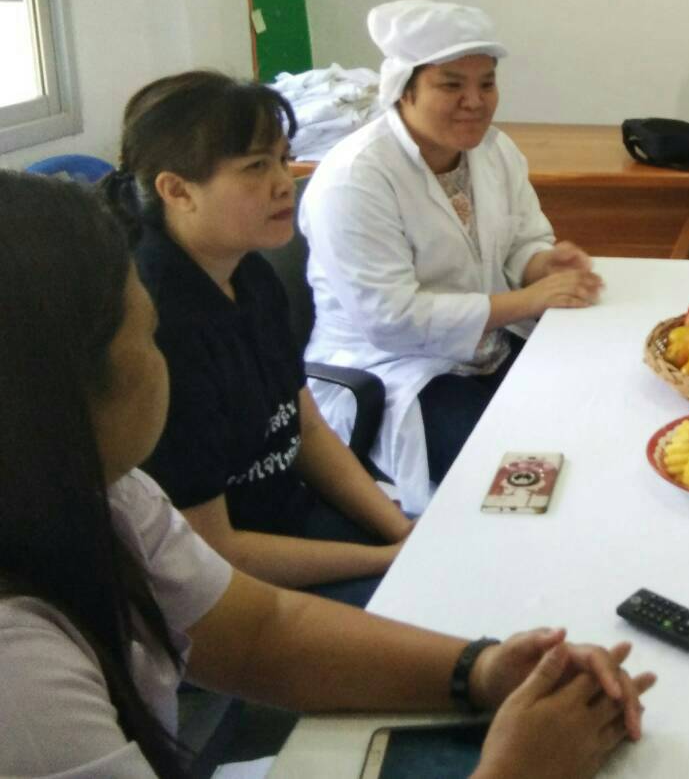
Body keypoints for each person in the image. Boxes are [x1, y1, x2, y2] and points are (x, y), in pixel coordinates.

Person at [0, 171, 654, 779]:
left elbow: (261, 632)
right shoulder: (20, 678)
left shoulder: (110, 493)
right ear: (58, 389)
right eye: (148, 336)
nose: (161, 359)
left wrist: (480, 670)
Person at [98, 72, 408, 608]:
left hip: (291, 523)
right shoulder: (156, 325)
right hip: (222, 585)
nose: (285, 183)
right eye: (255, 167)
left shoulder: (248, 271)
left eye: (284, 160)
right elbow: (213, 552)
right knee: (430, 621)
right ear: (177, 190)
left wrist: (402, 531)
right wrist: (385, 560)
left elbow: (305, 428)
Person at [301, 0, 602, 514]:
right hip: (398, 371)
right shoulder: (356, 178)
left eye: (487, 83)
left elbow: (523, 240)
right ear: (404, 89)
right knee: (516, 480)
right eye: (451, 85)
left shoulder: (494, 151)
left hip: (486, 348)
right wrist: (528, 299)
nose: (475, 102)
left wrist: (541, 264)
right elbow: (392, 319)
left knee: (586, 424)